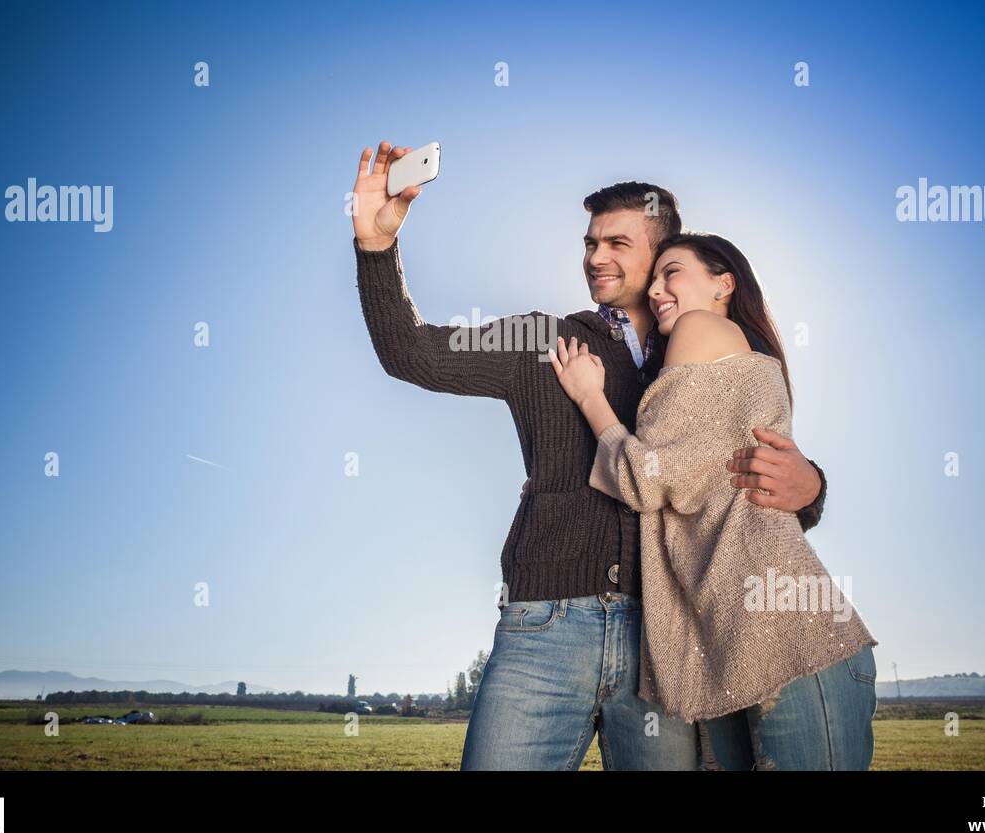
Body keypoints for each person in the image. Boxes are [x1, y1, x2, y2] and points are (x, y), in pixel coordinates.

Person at [351, 140, 828, 769]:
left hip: (668, 641)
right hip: (544, 628)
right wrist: (376, 245)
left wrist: (813, 487)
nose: (595, 257)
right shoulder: (542, 338)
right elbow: (411, 353)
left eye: (617, 244)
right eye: (589, 243)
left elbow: (746, 483)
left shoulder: (708, 354)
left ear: (663, 256)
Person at [548, 231, 879, 769]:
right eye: (652, 278)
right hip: (735, 650)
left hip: (787, 641)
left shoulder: (701, 329)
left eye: (671, 272)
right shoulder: (726, 353)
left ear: (724, 283)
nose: (656, 289)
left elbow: (646, 478)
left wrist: (590, 397)